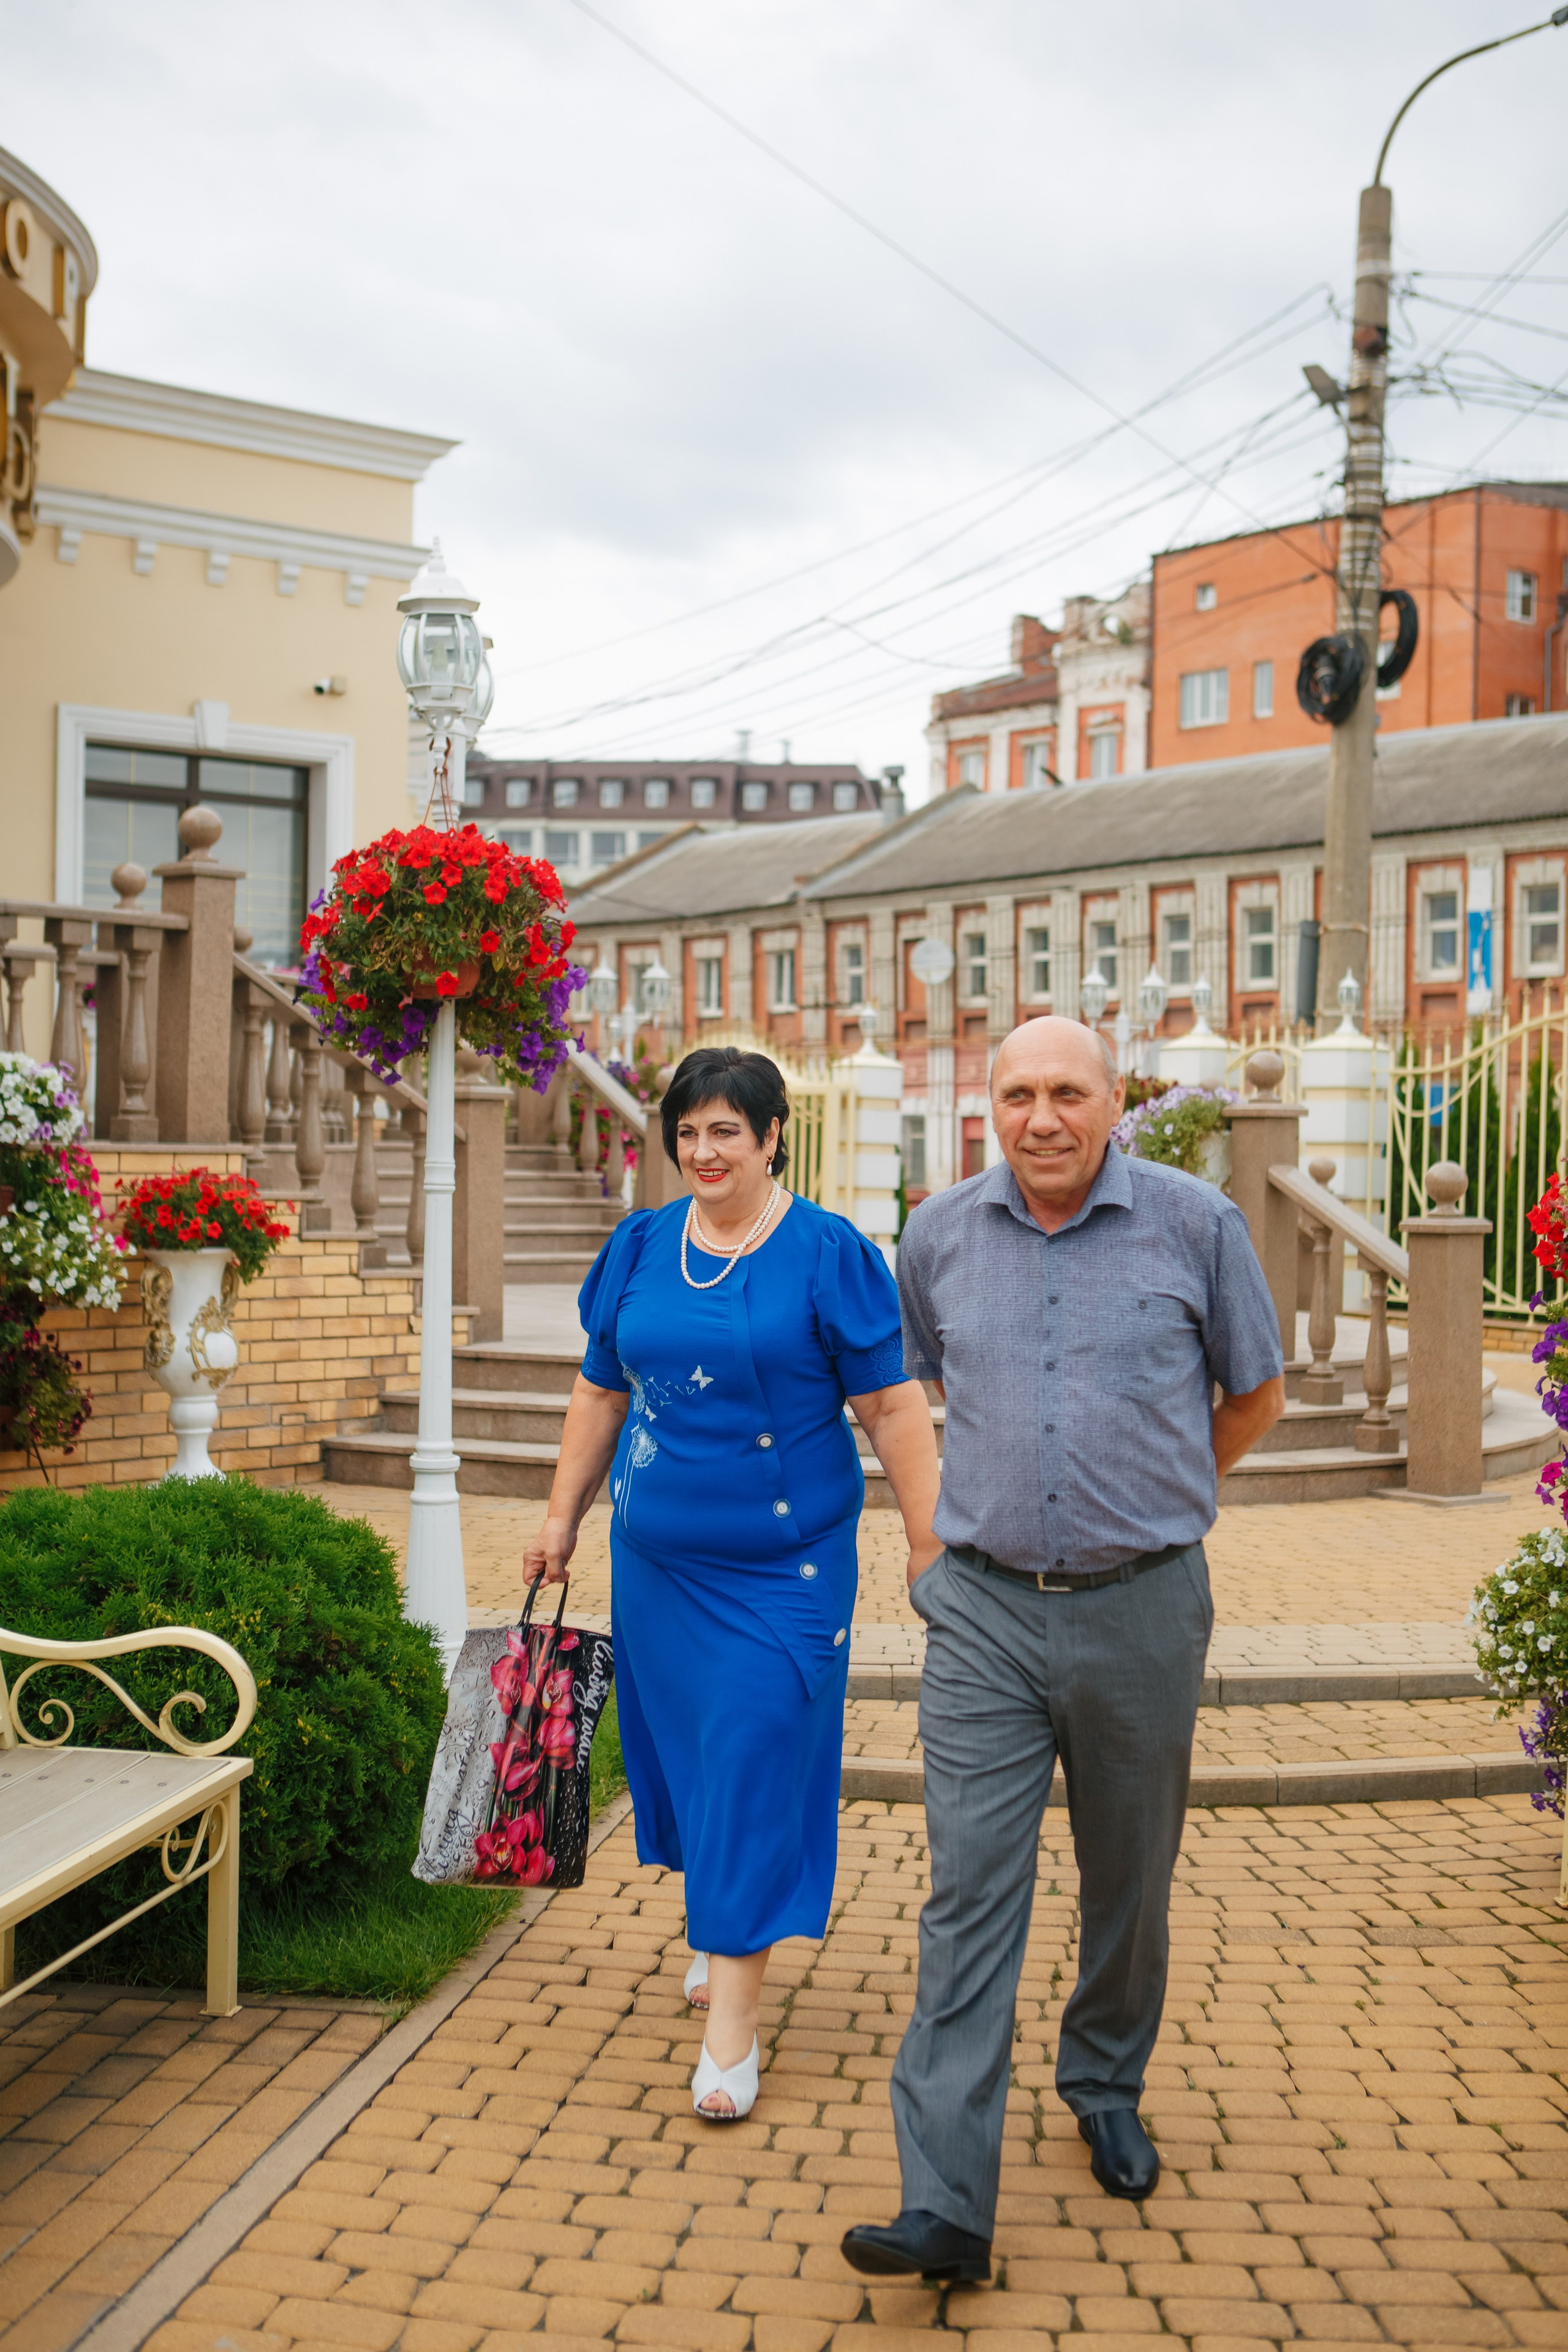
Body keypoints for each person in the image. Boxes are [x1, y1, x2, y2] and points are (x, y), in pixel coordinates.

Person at [842, 1014, 1285, 2285]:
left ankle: (1101, 2080)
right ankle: (944, 2200)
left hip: (1141, 1605)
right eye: (1019, 1094)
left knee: (1125, 1875)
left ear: (1113, 1102)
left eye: (1067, 1094)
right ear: (990, 1105)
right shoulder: (936, 1234)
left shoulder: (1192, 1225)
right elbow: (915, 1390)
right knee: (967, 1890)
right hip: (978, 1610)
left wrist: (1165, 1494)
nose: (1041, 1118)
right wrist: (930, 1544)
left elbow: (1252, 1390)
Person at [525, 1044, 941, 2123]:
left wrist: (928, 1535)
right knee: (691, 1758)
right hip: (656, 1561)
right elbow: (599, 1393)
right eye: (689, 1130)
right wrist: (560, 1519)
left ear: (769, 1140)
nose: (704, 1150)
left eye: (728, 1131)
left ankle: (731, 2034)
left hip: (786, 1570)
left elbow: (892, 1411)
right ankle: (719, 1926)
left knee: (755, 1751)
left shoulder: (827, 1255)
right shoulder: (640, 1246)